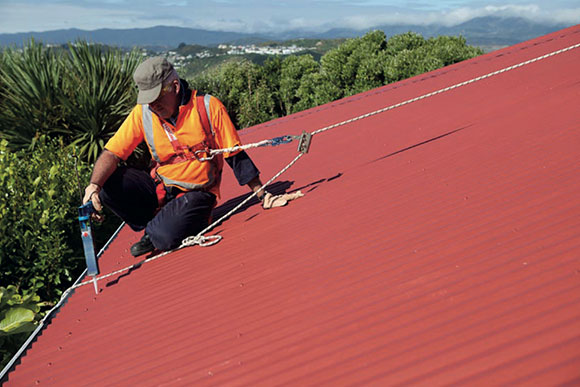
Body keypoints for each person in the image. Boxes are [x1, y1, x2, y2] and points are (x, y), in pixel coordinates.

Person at [82, 57, 266, 257]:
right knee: (108, 183)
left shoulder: (207, 107)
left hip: (196, 193)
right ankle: (155, 226)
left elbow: (235, 156)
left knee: (164, 237)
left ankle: (163, 228)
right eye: (148, 101)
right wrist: (93, 187)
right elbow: (112, 153)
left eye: (157, 98)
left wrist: (264, 196)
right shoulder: (143, 113)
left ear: (175, 86)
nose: (153, 106)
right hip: (160, 187)